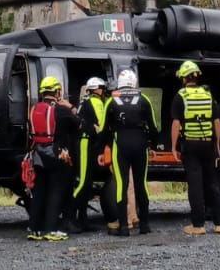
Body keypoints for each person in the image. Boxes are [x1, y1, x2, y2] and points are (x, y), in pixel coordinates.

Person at [170, 59, 220, 235]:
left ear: (184, 78)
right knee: (213, 182)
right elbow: (217, 122)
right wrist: (217, 143)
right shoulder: (208, 95)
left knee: (195, 185)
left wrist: (174, 146)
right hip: (208, 144)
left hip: (190, 145)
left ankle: (198, 225)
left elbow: (176, 124)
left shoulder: (181, 96)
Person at [107, 67, 158, 236]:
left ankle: (123, 227)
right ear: (134, 82)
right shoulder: (144, 99)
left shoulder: (112, 100)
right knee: (141, 184)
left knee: (122, 185)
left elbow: (103, 129)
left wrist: (105, 146)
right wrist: (152, 145)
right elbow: (154, 127)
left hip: (120, 144)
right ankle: (145, 225)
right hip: (140, 144)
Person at [26, 77, 78, 241]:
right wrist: (71, 107)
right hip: (56, 156)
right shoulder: (60, 110)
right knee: (56, 192)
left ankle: (34, 228)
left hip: (38, 157)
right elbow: (78, 124)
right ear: (57, 92)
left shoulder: (34, 109)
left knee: (39, 192)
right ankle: (51, 228)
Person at [71, 76, 117, 232]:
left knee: (87, 182)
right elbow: (101, 124)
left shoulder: (85, 101)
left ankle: (82, 220)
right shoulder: (96, 102)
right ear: (97, 89)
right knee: (83, 182)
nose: (104, 91)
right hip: (86, 143)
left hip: (86, 143)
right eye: (103, 88)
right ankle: (68, 219)